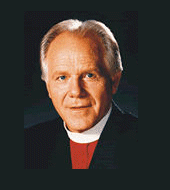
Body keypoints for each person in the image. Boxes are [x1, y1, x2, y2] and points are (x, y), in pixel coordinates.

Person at [24, 19, 138, 169]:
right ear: (48, 87)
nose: (76, 92)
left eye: (89, 75)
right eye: (62, 77)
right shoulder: (28, 145)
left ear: (114, 81)